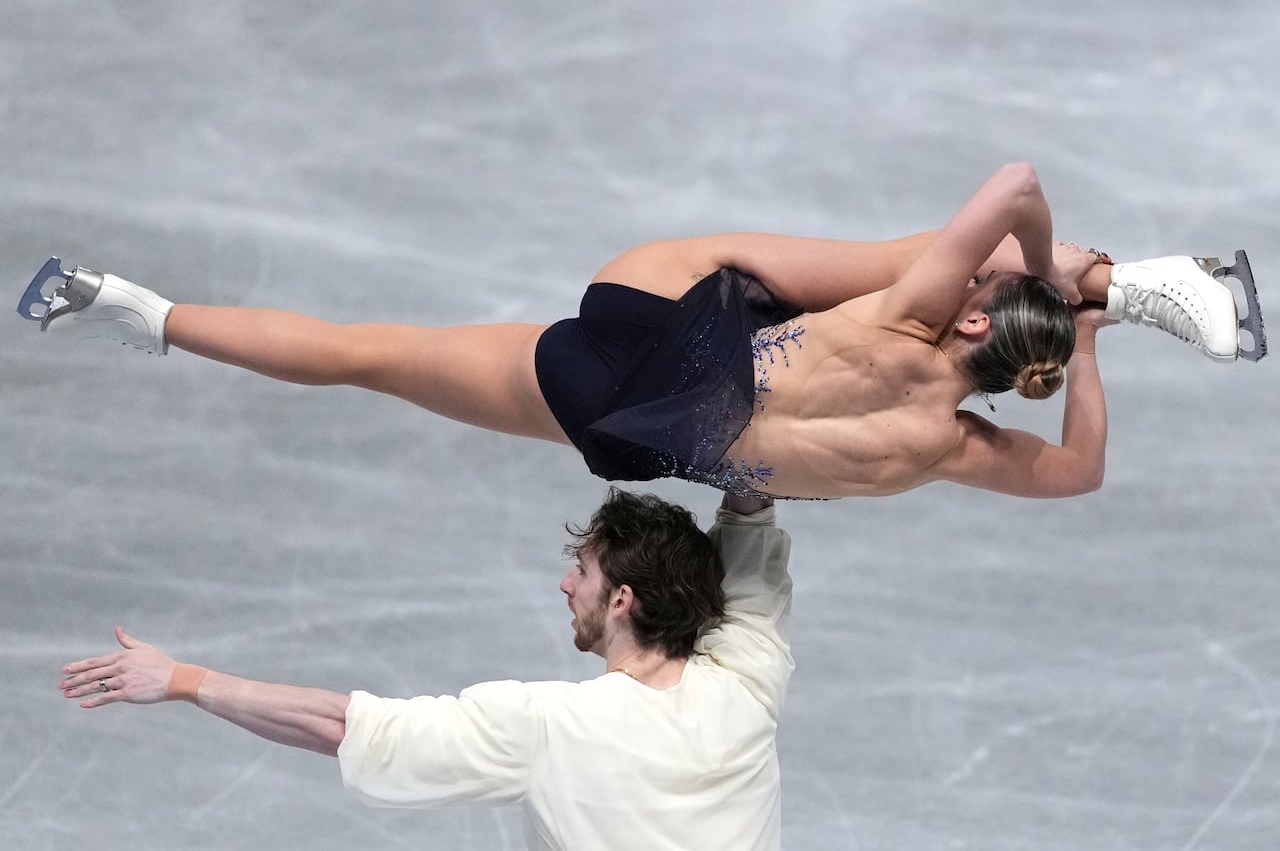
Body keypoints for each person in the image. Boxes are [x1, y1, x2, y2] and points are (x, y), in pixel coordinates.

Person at [21, 162, 1256, 499]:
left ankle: (1133, 280)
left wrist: (1042, 268)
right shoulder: (949, 448)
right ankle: (150, 317)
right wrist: (1081, 349)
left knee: (894, 253)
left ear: (978, 318)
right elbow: (1079, 471)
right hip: (640, 423)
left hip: (663, 311)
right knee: (369, 362)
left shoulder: (905, 316)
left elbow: (1008, 189)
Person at [59, 489, 794, 851]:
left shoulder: (546, 726)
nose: (567, 585)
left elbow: (342, 724)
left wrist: (186, 678)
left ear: (623, 599)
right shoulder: (747, 682)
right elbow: (752, 528)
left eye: (583, 570)